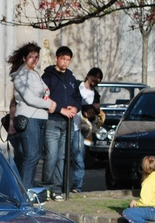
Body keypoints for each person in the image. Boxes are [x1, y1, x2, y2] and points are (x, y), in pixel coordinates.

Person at [8, 42, 56, 188]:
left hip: (41, 117)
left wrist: (46, 99)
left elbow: (45, 90)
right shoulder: (21, 76)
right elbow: (29, 98)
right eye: (31, 57)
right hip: (29, 118)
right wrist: (48, 104)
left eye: (36, 57)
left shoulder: (34, 74)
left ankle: (22, 188)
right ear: (24, 58)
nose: (34, 60)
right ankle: (25, 191)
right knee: (31, 156)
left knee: (31, 157)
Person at [40, 46, 80, 199]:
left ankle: (57, 188)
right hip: (52, 121)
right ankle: (46, 187)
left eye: (68, 60)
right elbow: (44, 98)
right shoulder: (47, 77)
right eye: (63, 59)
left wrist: (75, 108)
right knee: (52, 155)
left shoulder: (71, 78)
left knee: (63, 156)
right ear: (56, 58)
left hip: (68, 123)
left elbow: (77, 98)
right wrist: (60, 110)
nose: (65, 62)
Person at [68, 67, 103, 193]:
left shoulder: (96, 95)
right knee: (61, 158)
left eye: (99, 79)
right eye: (95, 76)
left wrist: (93, 113)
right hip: (66, 124)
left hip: (79, 128)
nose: (97, 80)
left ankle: (77, 187)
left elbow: (96, 116)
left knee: (78, 158)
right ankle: (59, 186)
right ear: (88, 76)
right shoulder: (77, 85)